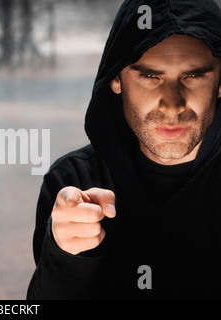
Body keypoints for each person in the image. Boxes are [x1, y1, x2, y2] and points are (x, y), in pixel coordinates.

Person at [27, 0, 221, 299]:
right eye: (150, 76)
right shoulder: (74, 181)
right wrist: (66, 256)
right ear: (116, 78)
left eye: (193, 76)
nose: (172, 105)